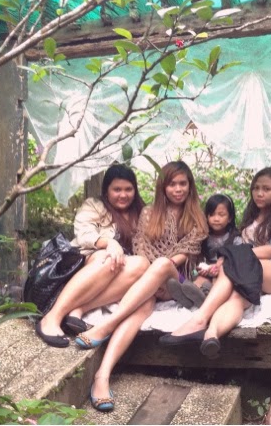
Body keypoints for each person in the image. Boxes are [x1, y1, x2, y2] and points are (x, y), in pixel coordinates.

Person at [76, 160, 207, 412]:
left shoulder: (197, 217)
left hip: (177, 280)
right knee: (142, 306)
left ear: (190, 186)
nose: (178, 189)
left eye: (183, 184)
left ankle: (107, 325)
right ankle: (103, 375)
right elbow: (141, 248)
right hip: (150, 280)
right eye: (172, 184)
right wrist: (152, 278)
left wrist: (158, 274)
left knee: (163, 264)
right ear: (163, 186)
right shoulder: (149, 213)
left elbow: (184, 254)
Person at [159, 167, 271, 358]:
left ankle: (199, 320)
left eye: (266, 189)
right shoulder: (252, 217)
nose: (259, 193)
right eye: (256, 188)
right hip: (252, 270)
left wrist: (232, 255)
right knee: (237, 296)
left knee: (232, 264)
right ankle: (211, 334)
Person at [35, 164, 149, 348]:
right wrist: (110, 243)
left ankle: (79, 309)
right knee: (107, 257)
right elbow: (83, 234)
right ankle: (52, 317)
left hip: (122, 275)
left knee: (143, 264)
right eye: (117, 189)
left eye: (128, 189)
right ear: (106, 190)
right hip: (91, 264)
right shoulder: (94, 205)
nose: (123, 194)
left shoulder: (142, 213)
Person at [167, 193, 243, 308]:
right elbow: (197, 259)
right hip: (205, 271)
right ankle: (188, 296)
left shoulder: (235, 238)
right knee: (196, 277)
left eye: (221, 215)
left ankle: (205, 296)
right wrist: (200, 269)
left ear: (230, 218)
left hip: (225, 273)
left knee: (215, 281)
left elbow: (238, 260)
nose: (216, 219)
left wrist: (218, 268)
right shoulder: (203, 236)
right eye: (212, 214)